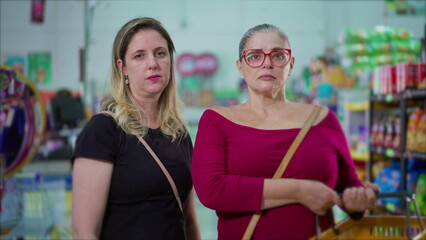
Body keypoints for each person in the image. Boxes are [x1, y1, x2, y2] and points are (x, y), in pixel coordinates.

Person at [191, 23, 379, 240]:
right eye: (255, 56)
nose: (267, 64)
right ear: (240, 67)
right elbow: (212, 190)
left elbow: (349, 189)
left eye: (278, 55)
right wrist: (299, 191)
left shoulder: (323, 120)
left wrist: (358, 201)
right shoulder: (217, 120)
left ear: (291, 64)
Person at [72, 17, 200, 240]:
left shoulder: (178, 132)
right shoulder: (103, 130)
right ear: (123, 67)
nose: (153, 63)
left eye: (160, 53)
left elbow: (188, 220)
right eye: (139, 56)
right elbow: (84, 232)